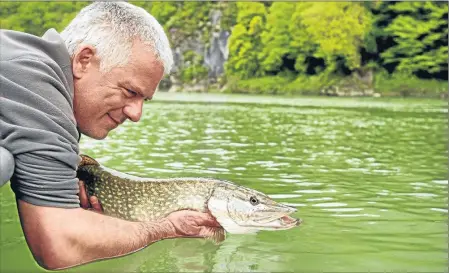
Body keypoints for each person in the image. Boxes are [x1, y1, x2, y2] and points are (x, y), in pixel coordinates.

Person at [0, 2, 221, 270]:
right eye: (130, 92)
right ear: (84, 60)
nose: (136, 113)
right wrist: (166, 228)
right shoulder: (36, 85)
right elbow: (58, 245)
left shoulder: (23, 64)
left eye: (144, 100)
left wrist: (83, 224)